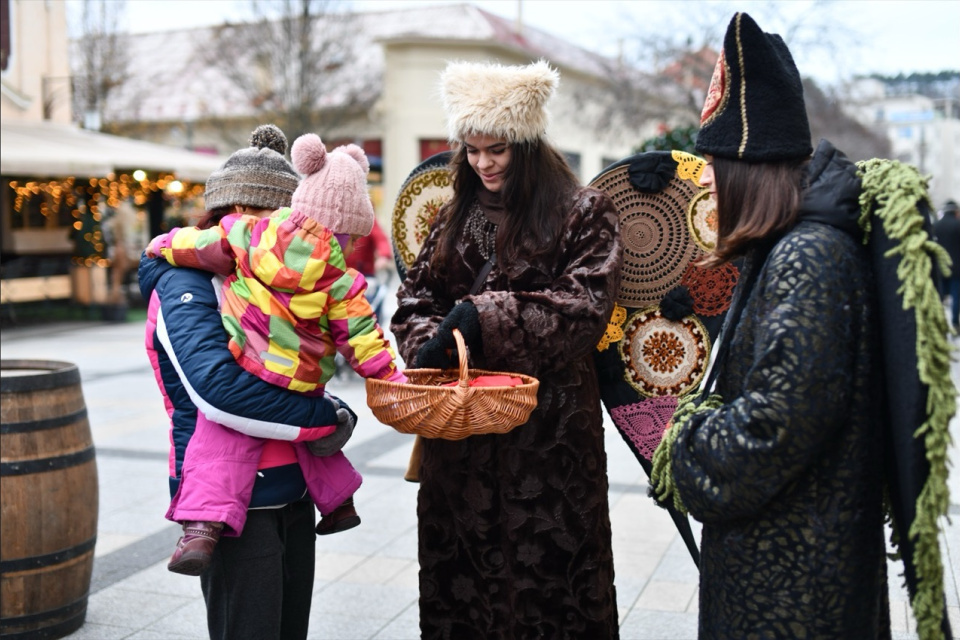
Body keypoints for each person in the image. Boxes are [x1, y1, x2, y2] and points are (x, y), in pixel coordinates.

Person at [651, 13, 953, 639]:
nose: (703, 177)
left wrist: (684, 446)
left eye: (712, 162)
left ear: (747, 170)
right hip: (791, 569)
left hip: (793, 588)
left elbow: (773, 428)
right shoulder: (793, 245)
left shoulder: (809, 255)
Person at [391, 60, 622, 638]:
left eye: (497, 149)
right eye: (471, 150)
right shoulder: (454, 214)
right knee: (463, 590)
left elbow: (584, 309)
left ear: (528, 143)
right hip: (460, 440)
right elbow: (414, 299)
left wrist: (483, 318)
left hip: (549, 443)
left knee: (552, 594)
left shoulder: (583, 210)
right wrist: (430, 346)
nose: (483, 163)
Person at [146, 127, 407, 572]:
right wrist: (386, 381)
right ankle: (337, 503)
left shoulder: (246, 237)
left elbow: (194, 242)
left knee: (222, 445)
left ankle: (202, 528)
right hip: (296, 390)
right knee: (285, 441)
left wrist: (159, 245)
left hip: (253, 366)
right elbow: (363, 337)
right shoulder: (340, 280)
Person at [934, 199, 960, 330]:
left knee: (940, 296)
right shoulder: (958, 225)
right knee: (956, 296)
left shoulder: (936, 225)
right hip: (957, 268)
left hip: (940, 267)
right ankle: (955, 323)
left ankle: (939, 323)